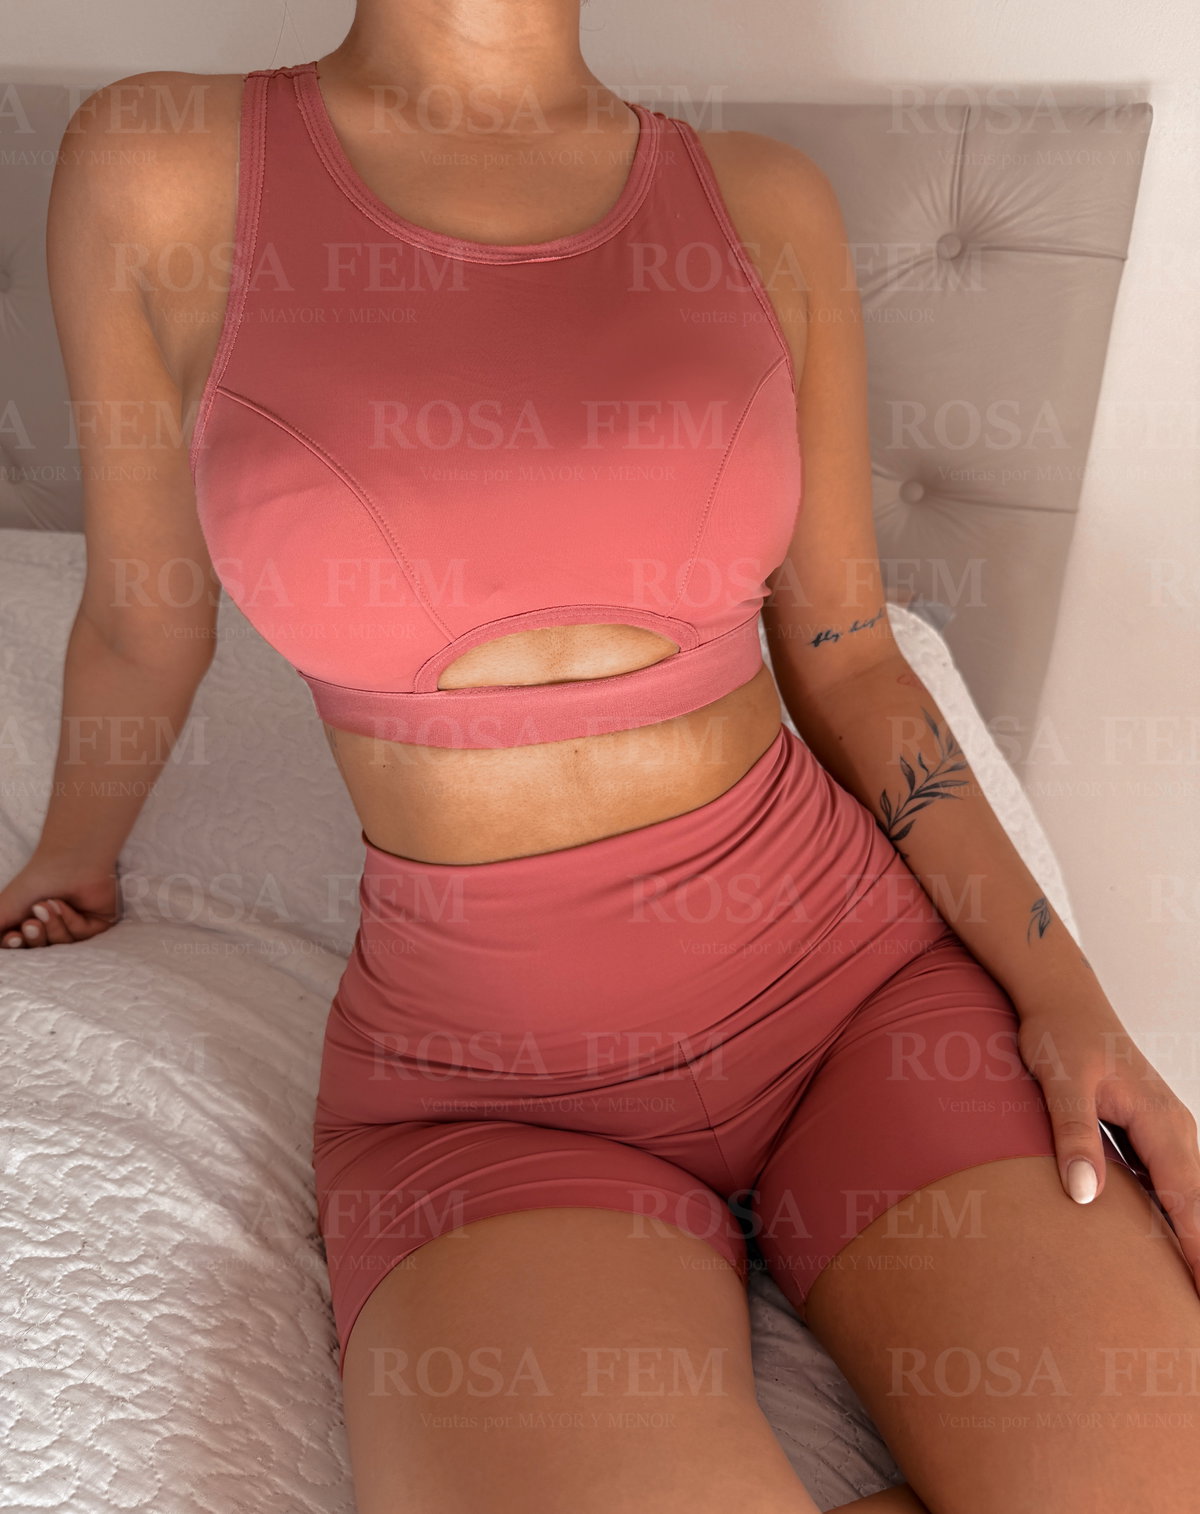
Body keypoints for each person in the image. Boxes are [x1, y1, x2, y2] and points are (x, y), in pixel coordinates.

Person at [7, 3, 1200, 1510]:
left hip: (858, 997)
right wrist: (71, 855)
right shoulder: (161, 160)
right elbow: (142, 616)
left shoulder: (763, 202)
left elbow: (850, 654)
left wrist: (1069, 995)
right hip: (483, 1090)